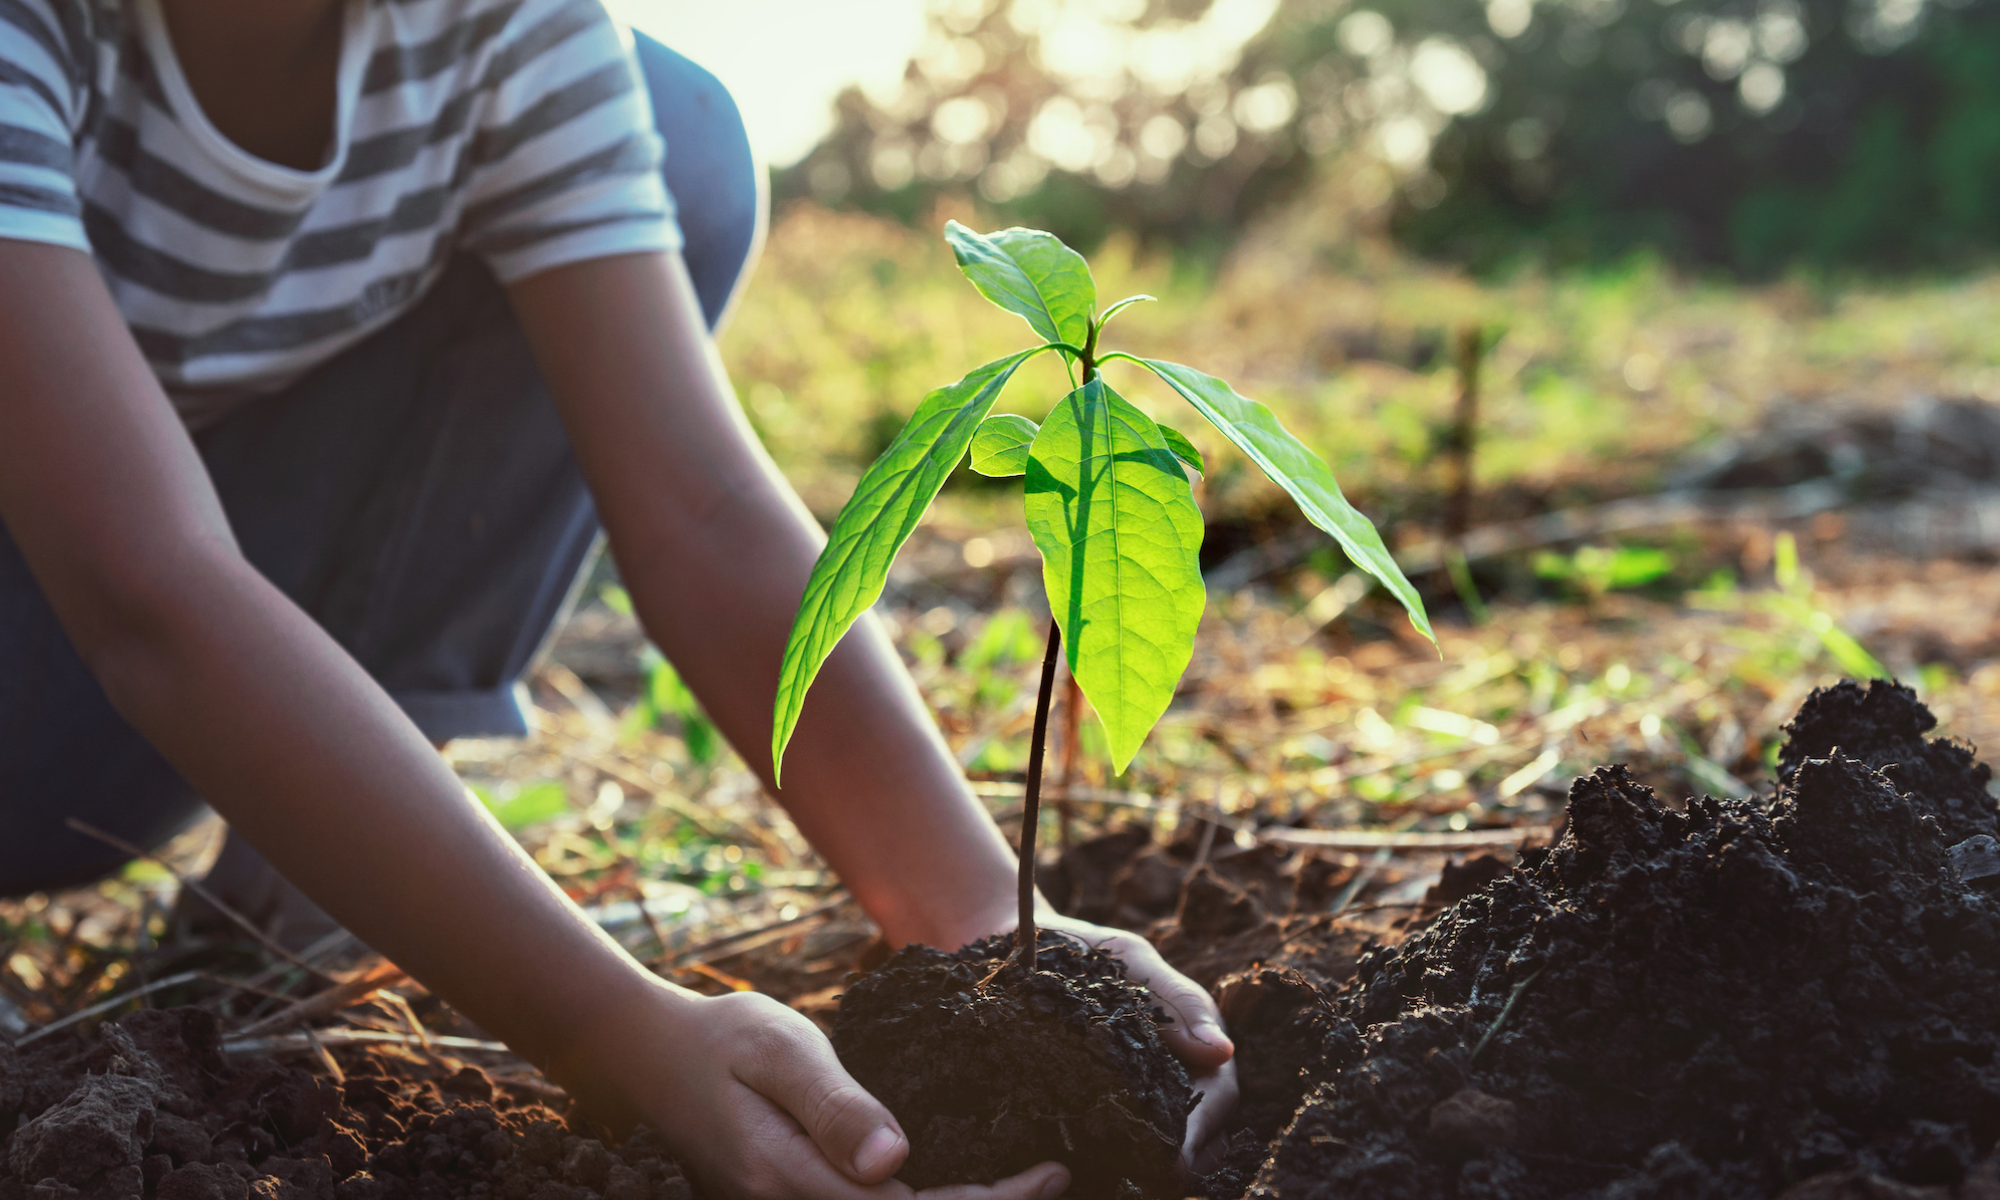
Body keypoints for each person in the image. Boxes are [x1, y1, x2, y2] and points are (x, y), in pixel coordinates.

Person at [0, 0, 1238, 1196]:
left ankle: (306, 879)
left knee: (670, 127)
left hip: (152, 682)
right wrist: (614, 1032)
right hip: (68, 646)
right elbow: (144, 586)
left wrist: (975, 914)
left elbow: (700, 512)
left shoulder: (494, 24)